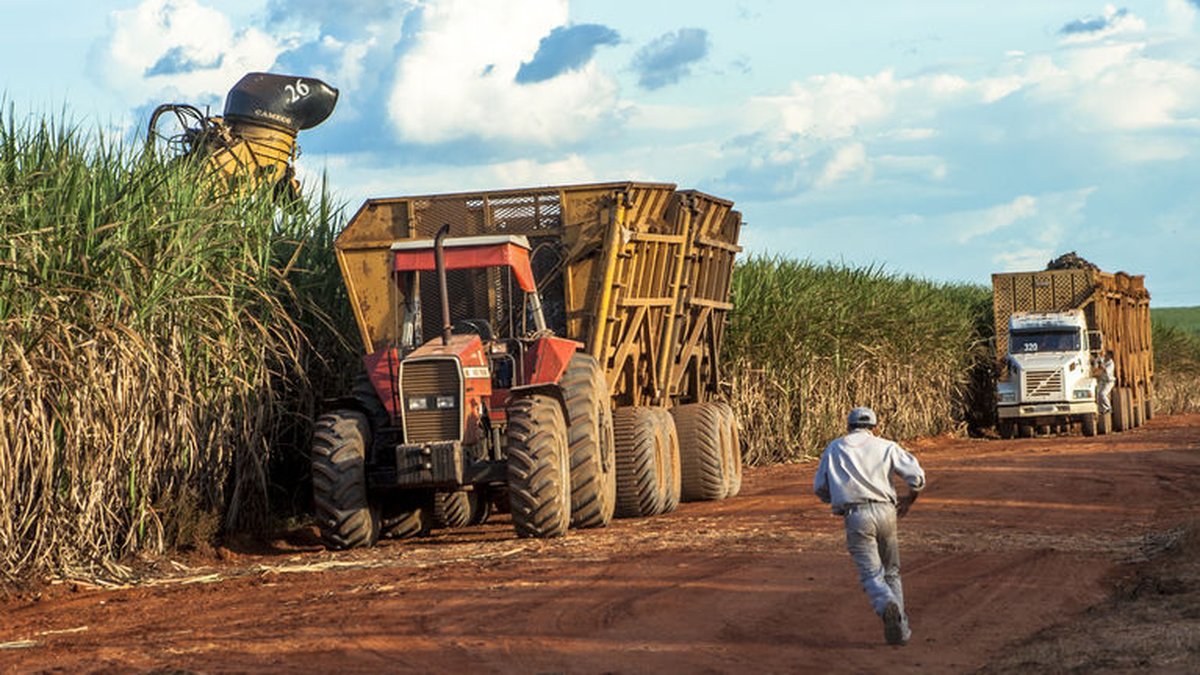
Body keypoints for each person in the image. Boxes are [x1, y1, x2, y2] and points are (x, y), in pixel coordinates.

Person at [814, 406, 926, 646]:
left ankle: (887, 604)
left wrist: (834, 498)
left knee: (871, 574)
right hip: (887, 511)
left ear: (848, 426)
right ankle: (900, 630)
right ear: (875, 427)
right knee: (891, 571)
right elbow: (916, 477)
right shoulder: (886, 446)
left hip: (856, 514)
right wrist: (910, 499)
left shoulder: (835, 447)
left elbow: (820, 488)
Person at [1095, 350, 1115, 415]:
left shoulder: (1111, 364)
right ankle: (1101, 410)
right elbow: (1096, 365)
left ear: (1110, 356)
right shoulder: (1103, 360)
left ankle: (1109, 408)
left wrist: (1101, 364)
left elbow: (1106, 370)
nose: (1105, 356)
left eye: (1107, 355)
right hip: (1102, 380)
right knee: (1098, 394)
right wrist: (1097, 360)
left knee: (1103, 394)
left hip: (1109, 381)